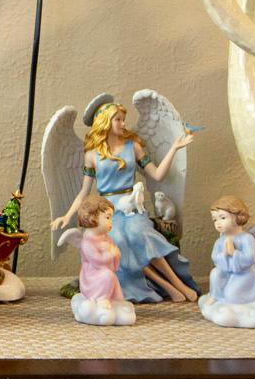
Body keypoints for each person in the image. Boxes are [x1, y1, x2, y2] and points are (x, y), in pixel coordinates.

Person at [51, 96, 197, 303]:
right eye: (118, 119)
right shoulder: (92, 155)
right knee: (118, 242)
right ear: (106, 122)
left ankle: (177, 283)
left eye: (123, 119)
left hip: (132, 207)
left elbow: (156, 175)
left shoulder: (133, 146)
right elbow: (84, 191)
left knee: (140, 235)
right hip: (107, 212)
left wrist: (174, 148)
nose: (123, 123)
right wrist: (67, 215)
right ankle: (167, 286)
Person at [198, 194, 255, 329]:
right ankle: (215, 296)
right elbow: (215, 257)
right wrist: (224, 254)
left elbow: (250, 258)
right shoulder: (220, 240)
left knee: (231, 295)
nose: (218, 223)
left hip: (244, 275)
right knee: (215, 273)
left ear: (238, 216)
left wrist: (234, 253)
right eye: (215, 219)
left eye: (223, 218)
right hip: (226, 271)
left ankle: (239, 305)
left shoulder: (246, 238)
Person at [70, 196, 136, 326]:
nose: (111, 222)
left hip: (104, 274)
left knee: (112, 277)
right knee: (108, 275)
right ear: (92, 218)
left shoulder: (105, 237)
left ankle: (116, 301)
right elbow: (97, 261)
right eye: (107, 217)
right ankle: (100, 299)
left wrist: (115, 254)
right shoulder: (87, 241)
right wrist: (111, 253)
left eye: (111, 217)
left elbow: (114, 256)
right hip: (92, 278)